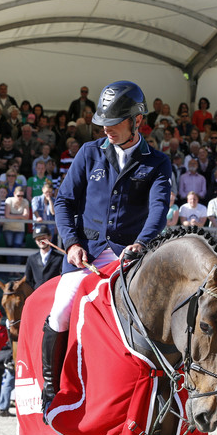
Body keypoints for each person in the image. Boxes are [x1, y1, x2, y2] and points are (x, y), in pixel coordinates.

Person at [42, 81, 171, 417]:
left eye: (114, 123)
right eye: (104, 123)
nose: (107, 129)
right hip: (86, 252)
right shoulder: (89, 153)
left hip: (132, 255)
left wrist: (141, 243)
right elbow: (65, 200)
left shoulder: (157, 162)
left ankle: (161, 393)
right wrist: (70, 243)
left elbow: (158, 209)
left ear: (137, 121)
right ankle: (50, 388)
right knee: (59, 312)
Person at [25, 224, 63, 290]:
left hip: (54, 292)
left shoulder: (60, 258)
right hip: (37, 292)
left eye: (43, 238)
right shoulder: (31, 259)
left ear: (50, 237)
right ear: (36, 242)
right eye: (38, 239)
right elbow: (29, 280)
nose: (41, 241)